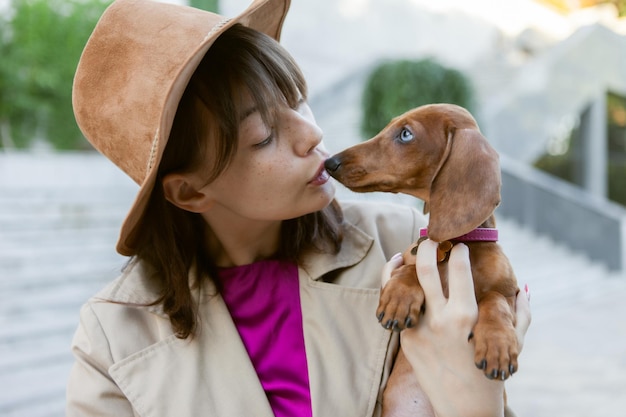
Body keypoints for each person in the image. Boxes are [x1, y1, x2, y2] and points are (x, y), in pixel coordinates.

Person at [67, 0, 531, 416]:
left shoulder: (409, 245)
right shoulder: (110, 339)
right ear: (190, 193)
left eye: (299, 100)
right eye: (263, 137)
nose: (311, 135)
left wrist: (477, 405)